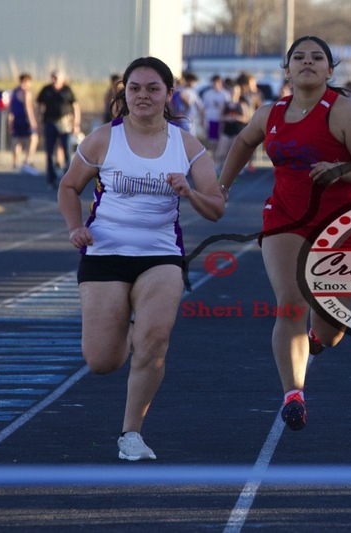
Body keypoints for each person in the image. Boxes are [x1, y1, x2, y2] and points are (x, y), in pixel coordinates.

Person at [57, 56, 225, 460]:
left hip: (161, 255)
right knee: (101, 360)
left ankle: (131, 434)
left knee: (154, 341)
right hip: (106, 252)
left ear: (169, 94)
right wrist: (75, 227)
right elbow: (68, 187)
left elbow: (216, 207)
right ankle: (128, 326)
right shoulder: (103, 138)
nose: (143, 95)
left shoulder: (186, 145)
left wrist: (189, 192)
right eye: (135, 88)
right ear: (124, 93)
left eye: (153, 88)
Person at [216, 36, 351, 431]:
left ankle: (317, 339)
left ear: (329, 70)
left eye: (317, 57)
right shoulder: (270, 113)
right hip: (285, 217)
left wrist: (338, 170)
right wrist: (221, 186)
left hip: (338, 224)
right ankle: (293, 394)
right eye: (299, 58)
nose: (307, 62)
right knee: (290, 301)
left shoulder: (345, 113)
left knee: (332, 326)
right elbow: (243, 142)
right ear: (287, 70)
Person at [37, 69, 80, 189]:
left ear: (62, 78)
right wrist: (38, 121)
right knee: (49, 152)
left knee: (67, 152)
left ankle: (68, 179)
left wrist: (76, 124)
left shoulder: (67, 90)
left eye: (56, 77)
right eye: (53, 77)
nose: (54, 79)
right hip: (50, 122)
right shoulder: (46, 90)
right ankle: (52, 179)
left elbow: (75, 106)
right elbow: (39, 105)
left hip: (64, 123)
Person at [213, 79, 251, 176]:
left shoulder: (241, 104)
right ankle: (219, 166)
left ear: (239, 93)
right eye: (232, 91)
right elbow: (220, 117)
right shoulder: (225, 104)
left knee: (236, 151)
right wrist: (227, 118)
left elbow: (247, 118)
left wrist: (237, 118)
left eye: (236, 91)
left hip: (237, 130)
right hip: (227, 130)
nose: (234, 93)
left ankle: (237, 168)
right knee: (222, 151)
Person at [8, 73, 40, 174]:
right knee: (34, 138)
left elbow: (11, 108)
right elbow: (28, 107)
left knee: (17, 140)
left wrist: (10, 120)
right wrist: (32, 121)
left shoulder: (14, 92)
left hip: (16, 119)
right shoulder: (26, 92)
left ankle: (15, 162)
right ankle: (28, 159)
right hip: (25, 119)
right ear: (26, 81)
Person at [200, 74, 229, 155]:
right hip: (211, 119)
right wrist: (202, 120)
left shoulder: (225, 94)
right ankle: (214, 158)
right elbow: (203, 108)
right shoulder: (207, 94)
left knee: (221, 141)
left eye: (217, 82)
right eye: (214, 82)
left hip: (221, 120)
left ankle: (220, 159)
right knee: (212, 141)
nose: (215, 84)